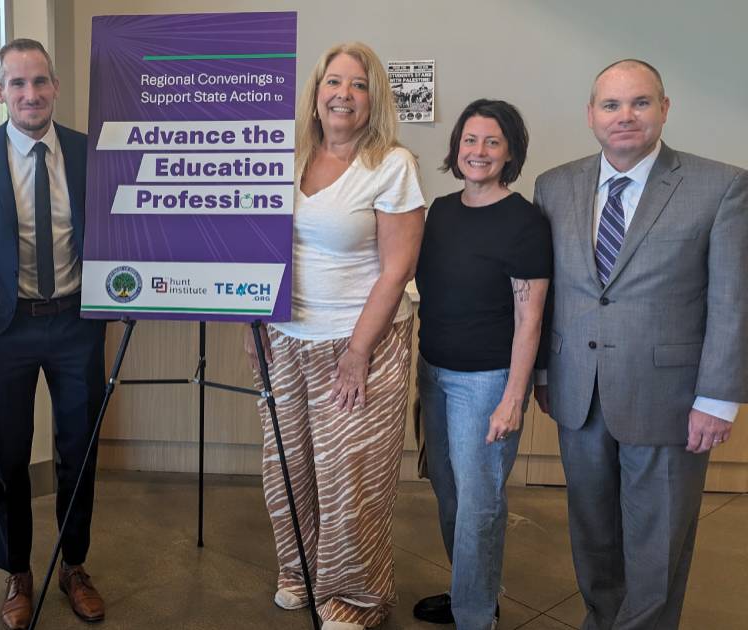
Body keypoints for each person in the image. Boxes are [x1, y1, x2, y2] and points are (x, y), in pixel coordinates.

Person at [533, 59, 747, 630]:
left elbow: (733, 300)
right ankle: (603, 620)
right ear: (591, 115)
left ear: (665, 109)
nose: (624, 116)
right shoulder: (554, 185)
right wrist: (546, 376)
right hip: (579, 393)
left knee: (658, 543)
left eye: (640, 103)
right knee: (593, 533)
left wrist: (718, 398)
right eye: (611, 105)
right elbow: (551, 293)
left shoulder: (722, 185)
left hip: (671, 400)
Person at [245, 42, 425, 630]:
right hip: (285, 339)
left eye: (359, 84)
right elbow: (256, 244)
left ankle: (357, 597)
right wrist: (255, 323)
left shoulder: (393, 164)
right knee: (287, 466)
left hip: (360, 343)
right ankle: (300, 571)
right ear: (316, 93)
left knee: (351, 477)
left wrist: (356, 351)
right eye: (333, 82)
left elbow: (397, 269)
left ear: (375, 100)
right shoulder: (288, 153)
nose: (343, 94)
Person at [0, 38, 107, 630]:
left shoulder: (90, 154)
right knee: (9, 457)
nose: (30, 94)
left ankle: (74, 565)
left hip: (76, 325)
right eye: (17, 84)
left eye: (40, 82)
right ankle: (17, 571)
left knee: (78, 453)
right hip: (5, 330)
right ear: (0, 92)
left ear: (55, 87)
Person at [411, 100, 550, 630]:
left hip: (486, 382)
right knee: (449, 492)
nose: (479, 151)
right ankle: (471, 590)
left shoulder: (524, 222)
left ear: (510, 151)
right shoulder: (441, 211)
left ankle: (475, 616)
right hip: (434, 372)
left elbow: (529, 319)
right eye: (471, 140)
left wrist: (513, 397)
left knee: (479, 504)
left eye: (493, 142)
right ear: (456, 147)